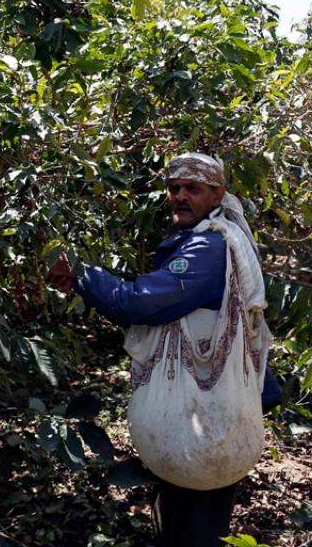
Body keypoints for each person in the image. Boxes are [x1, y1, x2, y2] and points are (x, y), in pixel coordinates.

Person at [46, 152, 279, 547]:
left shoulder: (209, 248)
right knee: (188, 520)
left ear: (217, 194)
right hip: (204, 418)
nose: (180, 196)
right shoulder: (206, 238)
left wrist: (82, 275)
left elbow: (142, 303)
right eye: (174, 188)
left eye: (193, 189)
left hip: (205, 422)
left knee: (193, 528)